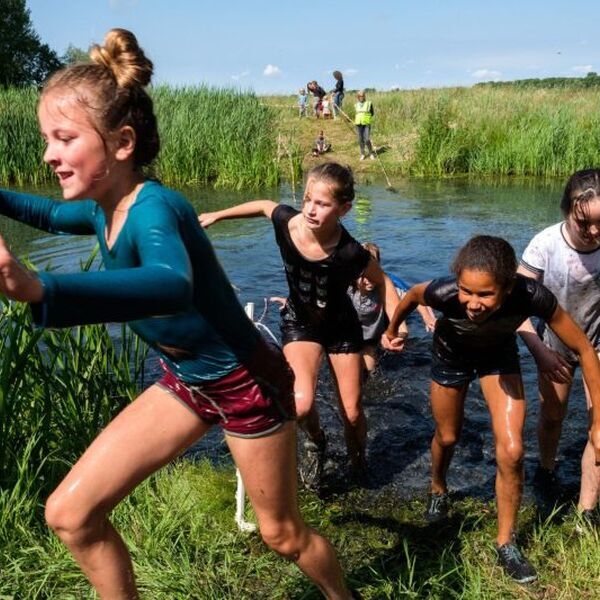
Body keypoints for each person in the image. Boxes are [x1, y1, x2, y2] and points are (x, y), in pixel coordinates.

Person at [0, 29, 355, 600]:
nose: (48, 154)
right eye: (48, 139)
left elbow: (170, 283)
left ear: (121, 143)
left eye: (64, 138)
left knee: (282, 535)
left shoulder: (154, 207)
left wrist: (44, 290)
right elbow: (42, 212)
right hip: (187, 380)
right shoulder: (102, 209)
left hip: (246, 380)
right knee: (70, 514)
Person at [382, 235, 600, 584]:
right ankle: (438, 488)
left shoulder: (531, 296)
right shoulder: (444, 292)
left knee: (512, 451)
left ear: (508, 285)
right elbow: (410, 297)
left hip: (498, 358)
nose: (473, 303)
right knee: (448, 436)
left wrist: (598, 425)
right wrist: (393, 330)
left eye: (485, 294)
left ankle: (506, 542)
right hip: (450, 355)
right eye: (468, 291)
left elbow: (586, 351)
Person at [199, 162, 401, 489]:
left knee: (351, 413)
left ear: (344, 209)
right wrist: (218, 215)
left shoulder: (350, 252)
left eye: (321, 204)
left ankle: (359, 464)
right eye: (307, 199)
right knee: (302, 403)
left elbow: (384, 282)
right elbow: (265, 205)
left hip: (342, 328)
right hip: (301, 322)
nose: (310, 209)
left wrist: (394, 328)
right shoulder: (289, 223)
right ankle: (317, 441)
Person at [517, 169, 600, 522]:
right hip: (554, 344)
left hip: (598, 343)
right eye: (586, 224)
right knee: (552, 416)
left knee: (599, 423)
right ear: (568, 209)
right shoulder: (545, 244)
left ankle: (587, 511)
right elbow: (515, 309)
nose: (595, 232)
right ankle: (547, 471)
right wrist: (540, 351)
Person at [349, 242, 436, 377]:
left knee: (369, 368)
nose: (368, 278)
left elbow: (413, 298)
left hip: (376, 326)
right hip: (357, 326)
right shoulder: (348, 285)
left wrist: (426, 317)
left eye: (373, 269)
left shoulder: (387, 286)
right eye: (363, 274)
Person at [354, 90, 375, 161]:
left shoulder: (369, 103)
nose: (361, 97)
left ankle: (371, 153)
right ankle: (362, 154)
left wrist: (366, 118)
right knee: (360, 140)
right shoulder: (356, 105)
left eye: (362, 95)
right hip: (358, 124)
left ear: (364, 96)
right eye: (360, 96)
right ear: (358, 97)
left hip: (366, 124)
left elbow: (372, 113)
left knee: (367, 139)